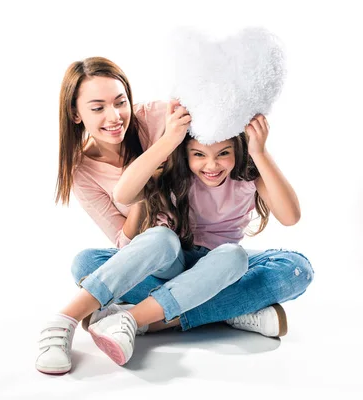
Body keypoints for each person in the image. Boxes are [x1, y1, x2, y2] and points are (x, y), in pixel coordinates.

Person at [35, 57, 312, 374]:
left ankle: (142, 320)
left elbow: (212, 106)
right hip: (164, 256)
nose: (114, 116)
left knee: (291, 268)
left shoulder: (165, 118)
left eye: (120, 102)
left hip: (218, 260)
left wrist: (257, 146)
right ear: (75, 113)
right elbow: (125, 220)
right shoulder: (89, 169)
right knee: (89, 262)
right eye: (97, 108)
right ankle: (229, 309)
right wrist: (158, 166)